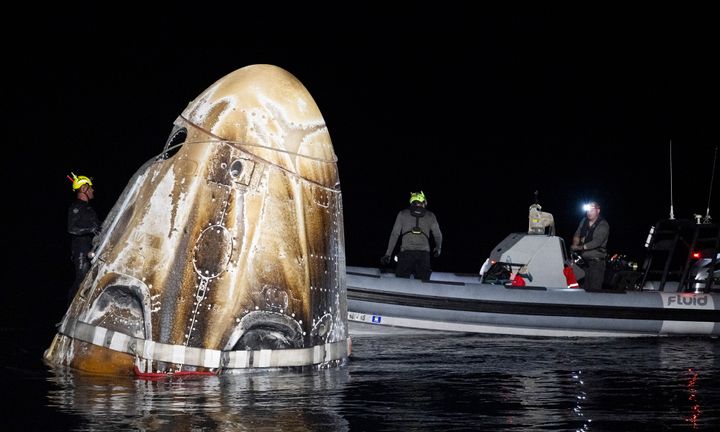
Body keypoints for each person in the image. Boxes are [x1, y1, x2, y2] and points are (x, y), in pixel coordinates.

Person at [381, 191, 442, 280]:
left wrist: (388, 254)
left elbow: (394, 235)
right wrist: (438, 248)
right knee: (423, 285)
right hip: (423, 255)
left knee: (401, 283)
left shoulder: (402, 213)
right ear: (423, 202)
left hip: (406, 254)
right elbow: (438, 235)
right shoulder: (430, 216)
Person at [67, 172, 101, 305]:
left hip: (91, 248)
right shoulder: (77, 206)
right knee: (82, 278)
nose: (93, 190)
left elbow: (98, 228)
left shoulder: (89, 209)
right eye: (90, 187)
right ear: (83, 189)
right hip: (80, 249)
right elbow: (71, 229)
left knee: (91, 279)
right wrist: (90, 229)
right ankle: (70, 309)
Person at [570, 201, 609, 291]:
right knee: (581, 289)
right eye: (588, 210)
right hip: (583, 263)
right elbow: (577, 234)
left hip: (596, 264)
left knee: (594, 290)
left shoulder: (603, 225)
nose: (589, 212)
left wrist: (580, 247)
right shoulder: (584, 221)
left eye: (592, 210)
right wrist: (575, 244)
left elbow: (597, 242)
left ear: (598, 211)